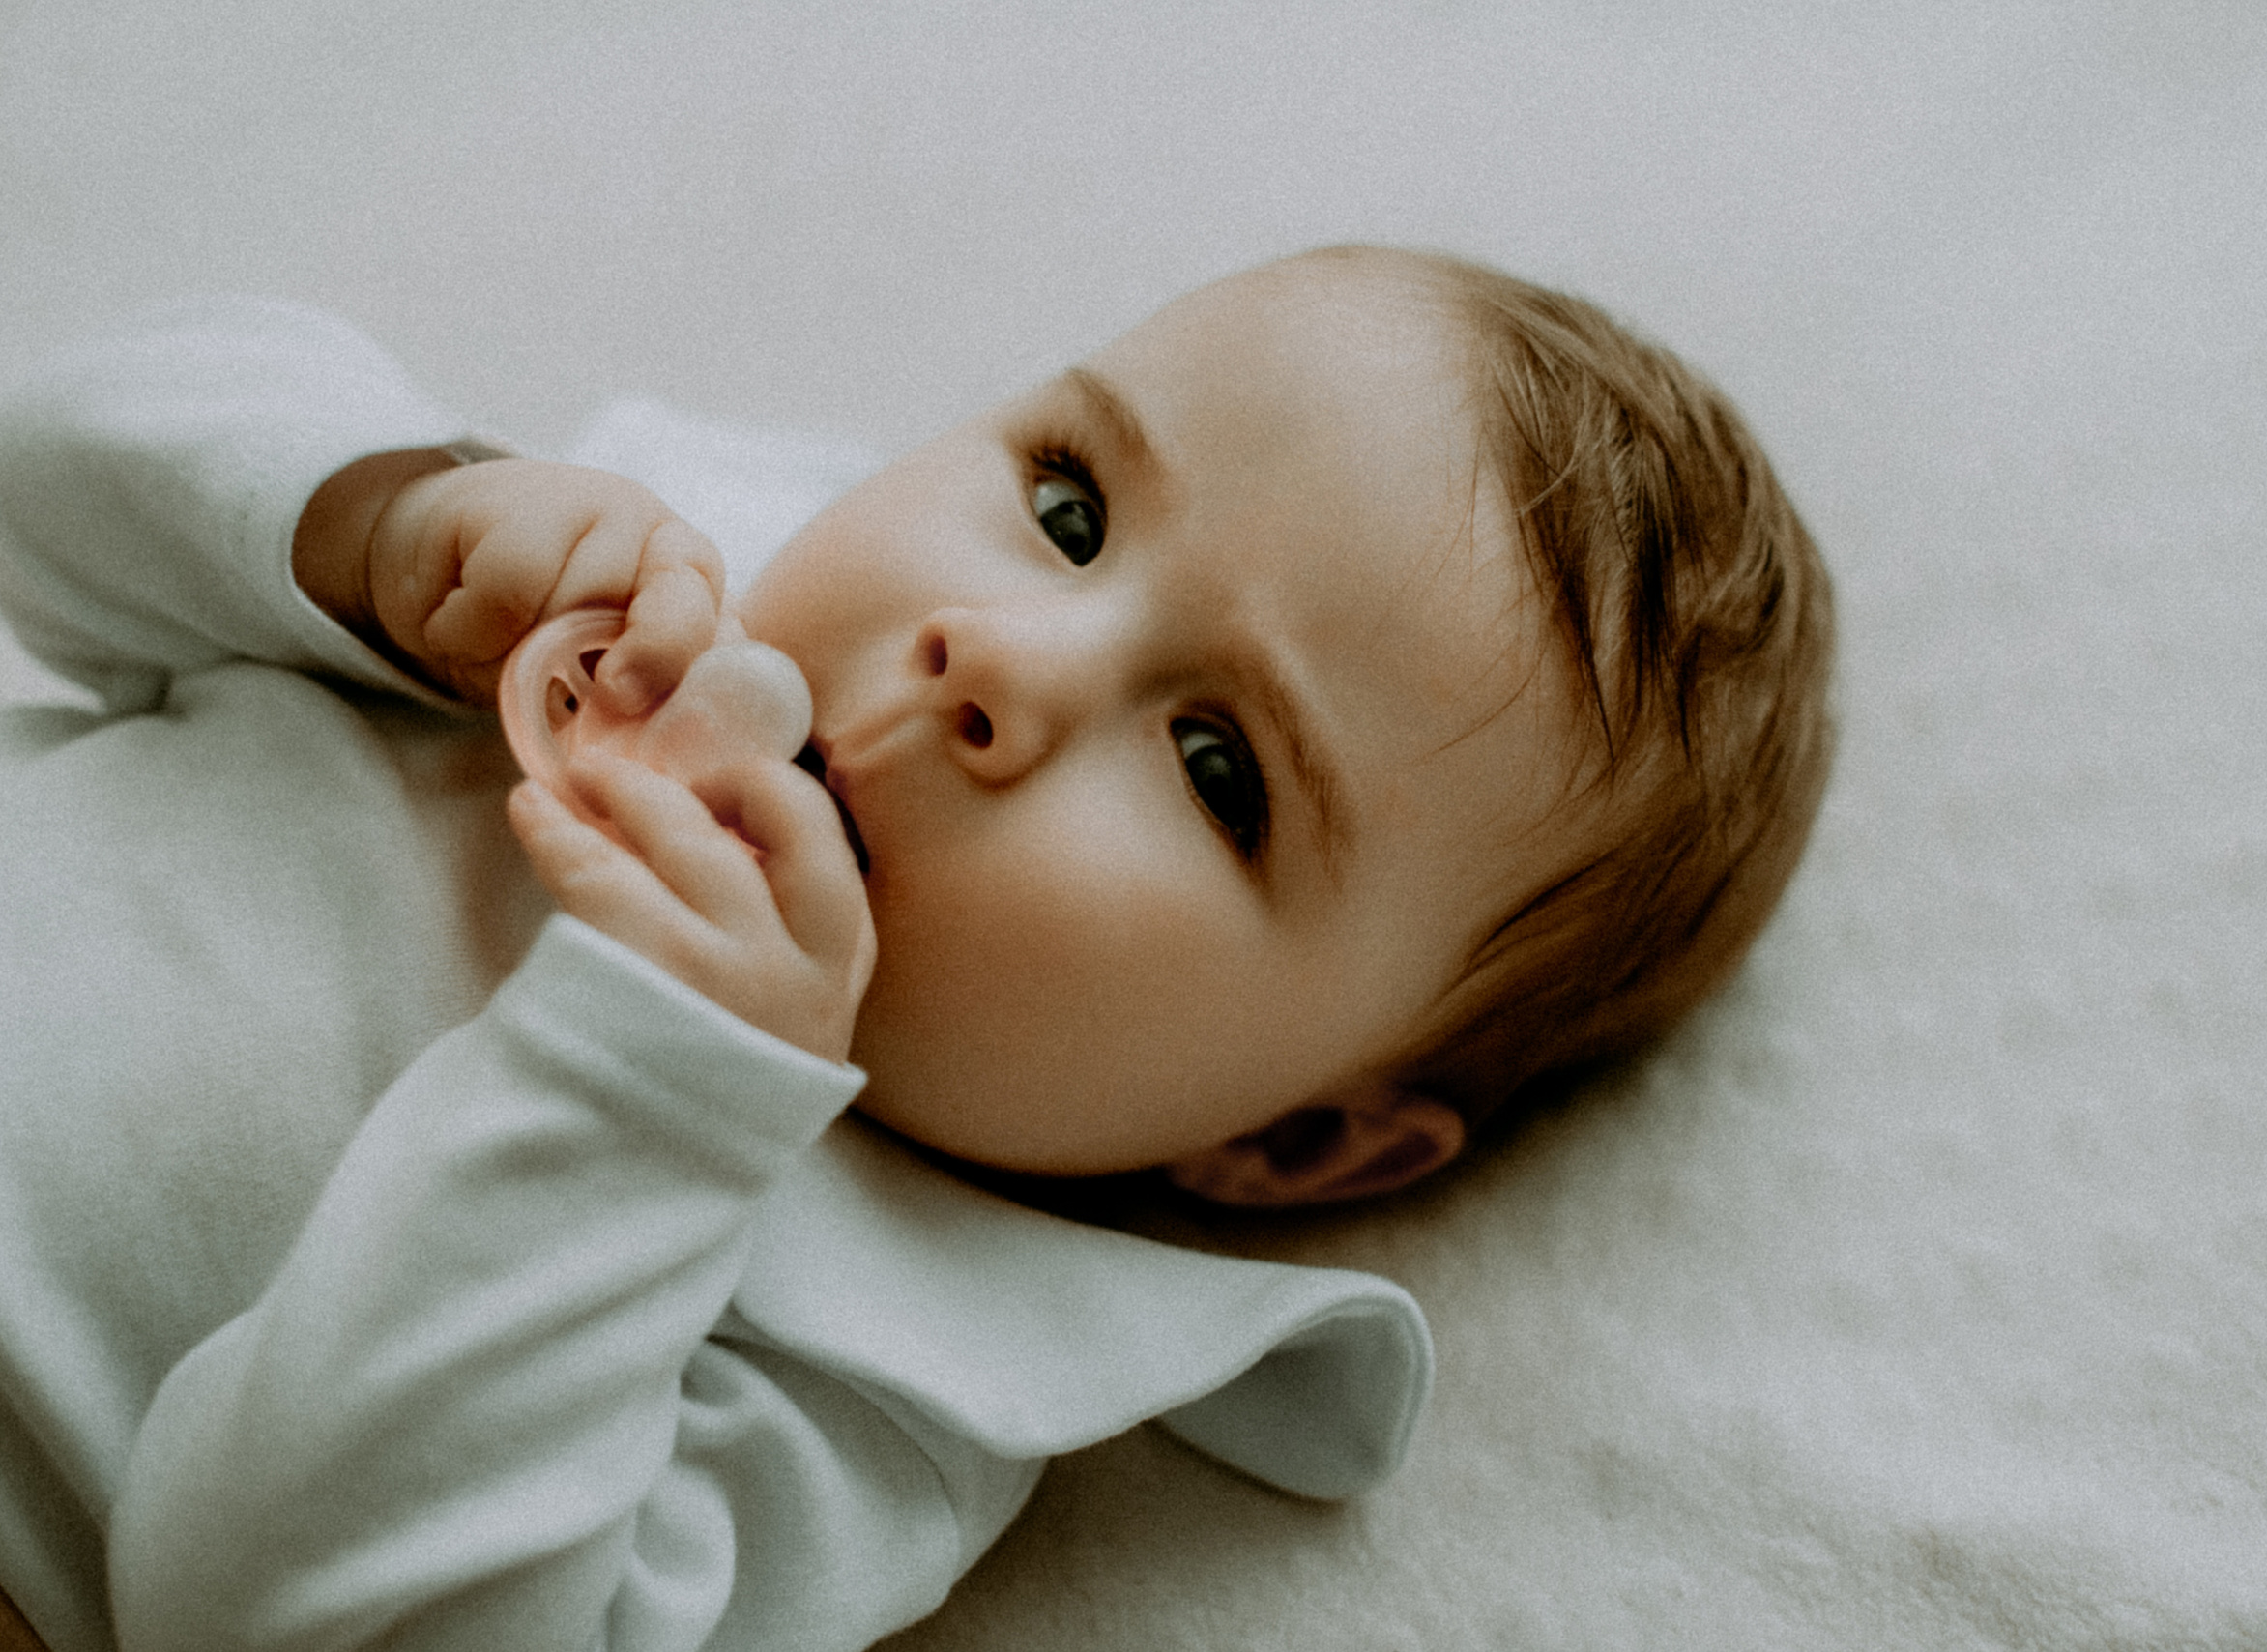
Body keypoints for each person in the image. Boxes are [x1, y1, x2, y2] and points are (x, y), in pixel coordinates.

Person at [0, 246, 1833, 1651]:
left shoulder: (895, 1375)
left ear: (1288, 1144)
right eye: (1067, 508)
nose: (995, 654)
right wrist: (375, 519)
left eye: (1219, 768)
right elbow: (48, 503)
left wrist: (651, 1084)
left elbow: (284, 1620)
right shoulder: (600, 584)